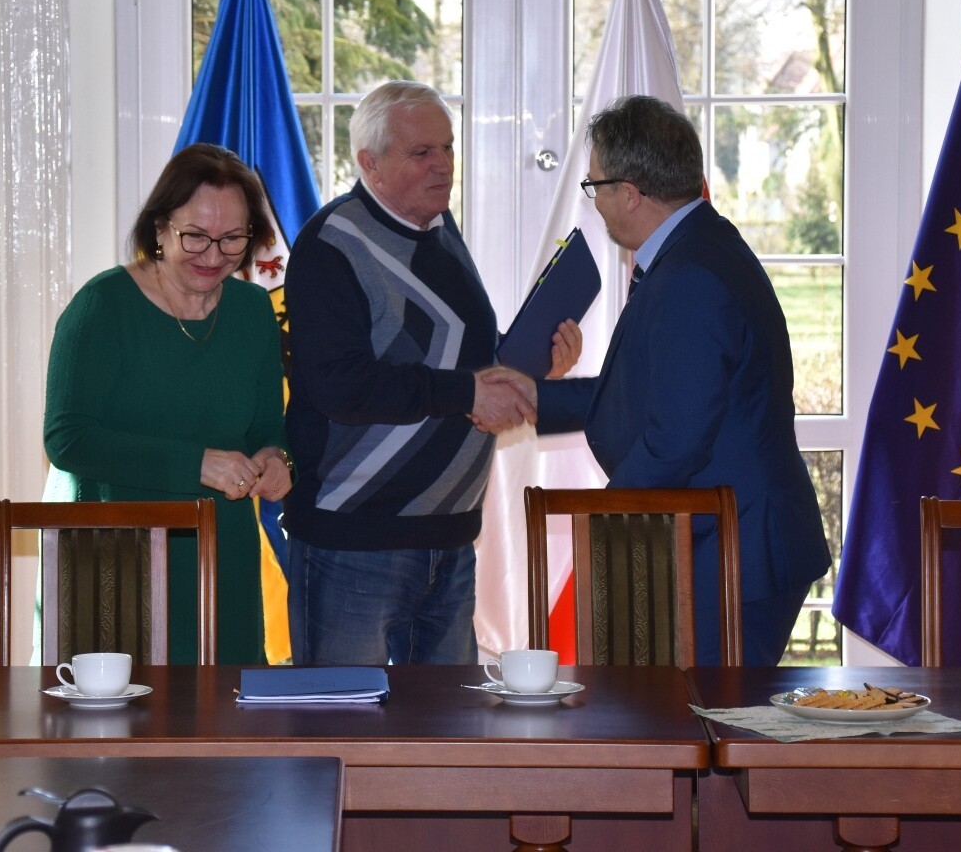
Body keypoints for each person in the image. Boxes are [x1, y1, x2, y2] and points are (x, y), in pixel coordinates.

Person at [489, 95, 831, 666]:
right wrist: (537, 398)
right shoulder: (698, 247)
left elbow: (674, 439)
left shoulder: (690, 274)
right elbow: (660, 394)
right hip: (731, 539)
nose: (595, 202)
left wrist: (600, 522)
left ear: (629, 192)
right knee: (694, 712)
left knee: (706, 713)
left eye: (595, 186)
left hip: (734, 551)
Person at [282, 80, 578, 666]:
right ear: (370, 162)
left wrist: (534, 367)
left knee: (450, 722)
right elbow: (341, 385)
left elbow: (463, 356)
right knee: (345, 716)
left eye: (447, 148)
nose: (443, 165)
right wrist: (467, 392)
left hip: (450, 538)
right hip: (356, 542)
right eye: (422, 153)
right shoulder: (330, 244)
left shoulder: (441, 230)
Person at [43, 142, 294, 665]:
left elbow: (268, 427)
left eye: (232, 239)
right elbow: (67, 439)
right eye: (195, 236)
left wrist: (276, 459)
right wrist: (196, 464)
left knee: (225, 701)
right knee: (121, 712)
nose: (214, 256)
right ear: (159, 229)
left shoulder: (252, 310)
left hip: (222, 553)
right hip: (116, 551)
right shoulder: (102, 307)